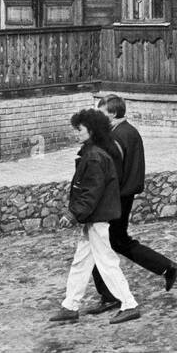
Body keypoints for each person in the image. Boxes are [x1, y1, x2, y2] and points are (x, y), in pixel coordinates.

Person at [81, 95, 177, 315]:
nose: (99, 118)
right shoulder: (131, 132)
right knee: (118, 241)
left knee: (101, 244)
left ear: (113, 114)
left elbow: (110, 174)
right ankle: (164, 267)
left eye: (102, 113)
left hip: (114, 199)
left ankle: (111, 297)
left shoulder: (115, 137)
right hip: (126, 195)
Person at [48, 108, 142, 325]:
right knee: (81, 262)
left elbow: (91, 191)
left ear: (90, 131)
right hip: (95, 217)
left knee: (107, 262)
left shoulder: (94, 157)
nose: (77, 133)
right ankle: (70, 305)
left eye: (79, 129)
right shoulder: (97, 153)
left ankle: (129, 304)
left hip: (97, 218)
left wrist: (73, 214)